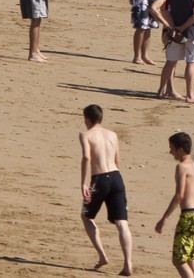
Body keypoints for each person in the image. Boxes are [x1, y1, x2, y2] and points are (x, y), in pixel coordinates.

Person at [79, 104, 135, 275]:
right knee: (122, 223)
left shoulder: (86, 135)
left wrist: (83, 182)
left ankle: (103, 255)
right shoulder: (113, 135)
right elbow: (117, 160)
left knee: (86, 216)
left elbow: (87, 157)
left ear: (87, 119)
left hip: (99, 179)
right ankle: (128, 264)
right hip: (117, 177)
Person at [154, 132, 194, 278]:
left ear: (181, 149)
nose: (170, 152)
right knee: (191, 259)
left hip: (189, 216)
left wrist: (164, 218)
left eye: (172, 148)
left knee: (178, 260)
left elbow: (179, 195)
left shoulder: (182, 167)